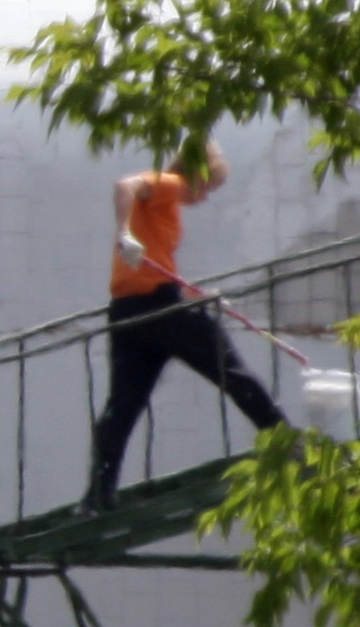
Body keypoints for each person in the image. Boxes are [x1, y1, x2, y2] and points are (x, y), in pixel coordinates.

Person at [84, 141, 283, 513]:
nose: (204, 198)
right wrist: (123, 232)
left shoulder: (164, 206)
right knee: (233, 372)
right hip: (159, 308)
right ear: (197, 175)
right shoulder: (169, 185)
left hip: (128, 311)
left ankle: (98, 494)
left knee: (122, 405)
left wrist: (195, 293)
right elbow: (124, 185)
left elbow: (155, 266)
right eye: (206, 187)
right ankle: (287, 443)